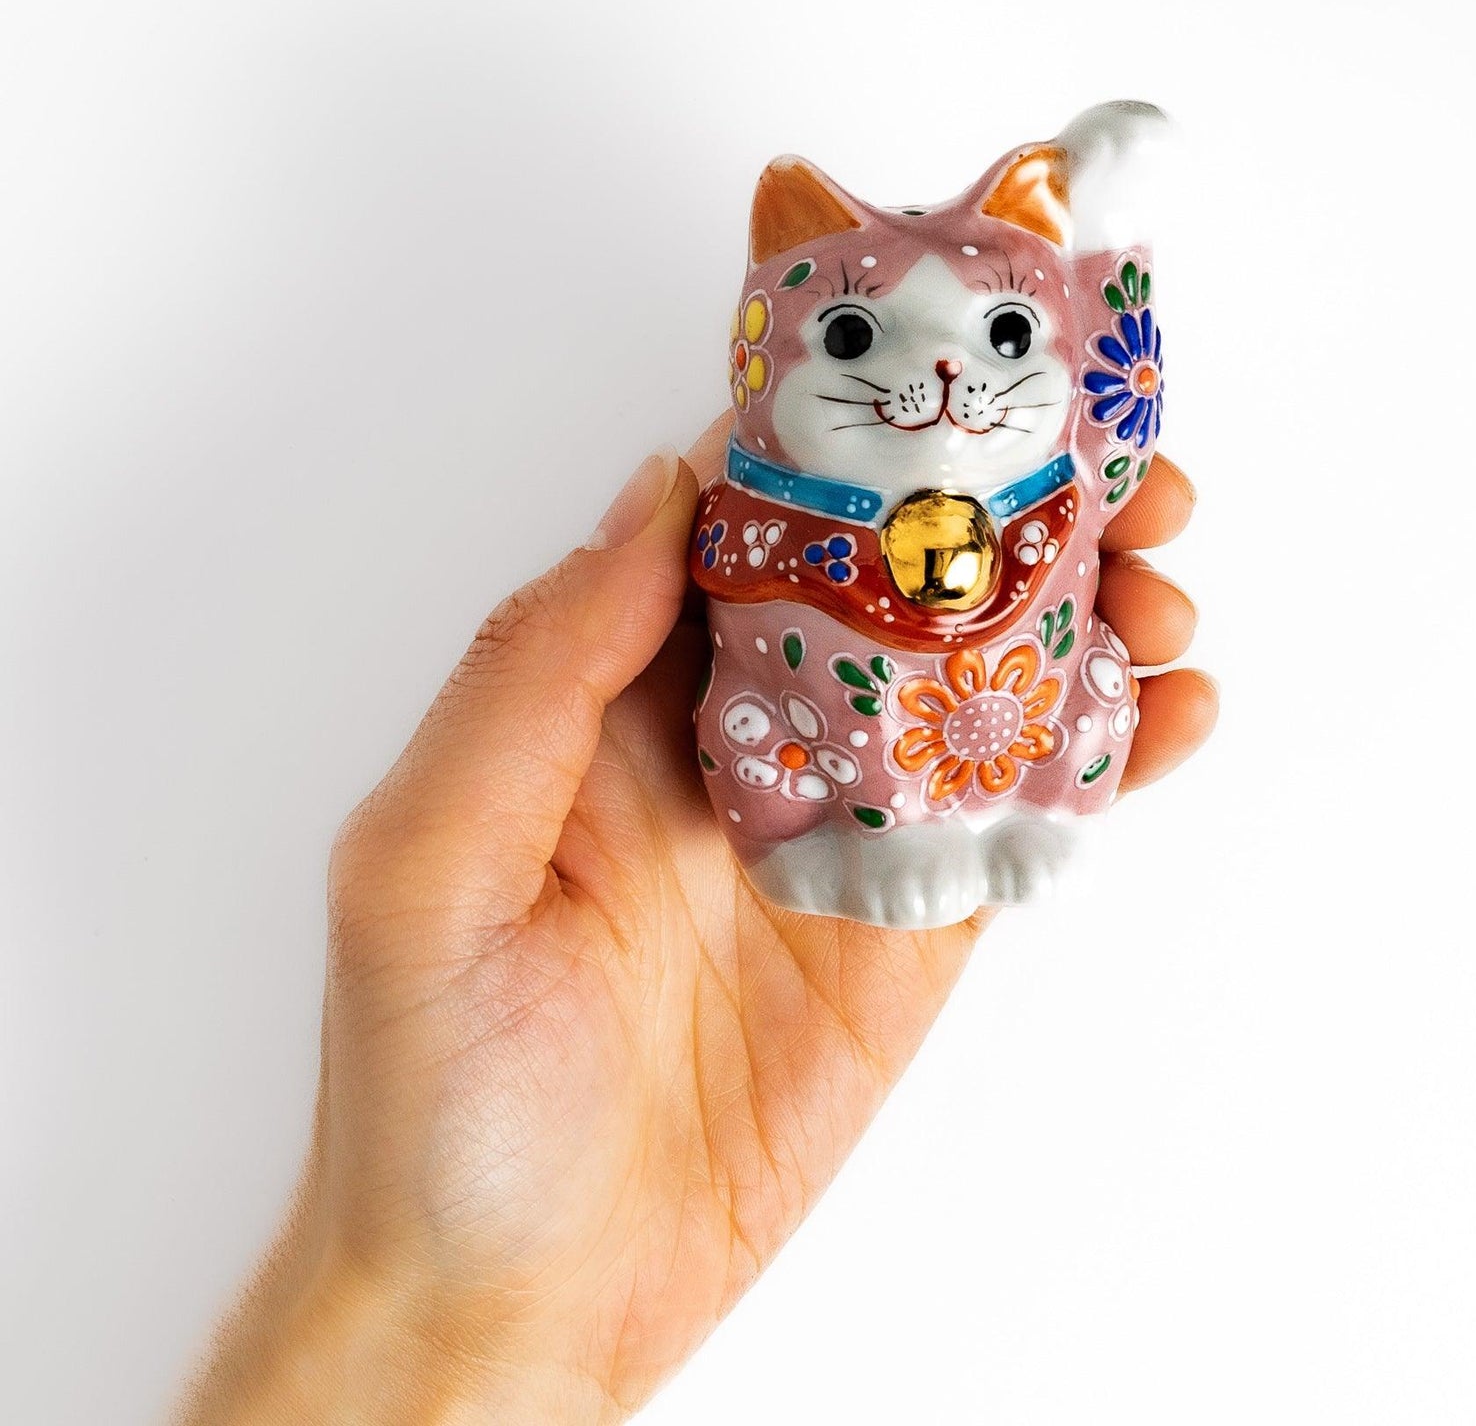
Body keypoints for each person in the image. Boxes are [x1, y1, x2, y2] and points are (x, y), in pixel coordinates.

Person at [174, 419, 1218, 1423]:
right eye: (853, 337)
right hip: (813, 769)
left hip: (1003, 730)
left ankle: (1026, 808)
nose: (946, 385)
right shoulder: (772, 507)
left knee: (1090, 686)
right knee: (781, 727)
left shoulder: (1039, 484)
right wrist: (443, 1327)